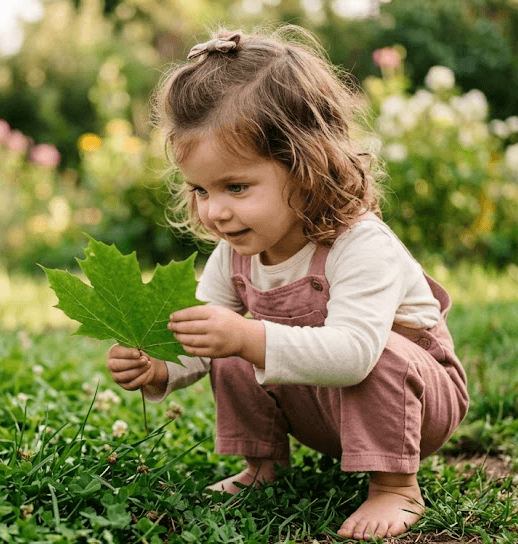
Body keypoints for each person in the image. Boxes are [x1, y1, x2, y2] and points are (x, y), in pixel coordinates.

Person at [106, 26, 469, 541]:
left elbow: (354, 356)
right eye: (201, 190)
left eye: (236, 186)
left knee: (375, 350)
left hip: (414, 405)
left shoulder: (361, 244)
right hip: (322, 407)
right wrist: (159, 366)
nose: (214, 210)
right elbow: (202, 341)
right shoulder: (234, 256)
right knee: (228, 337)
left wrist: (246, 336)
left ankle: (395, 486)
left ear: (306, 166)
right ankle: (260, 468)